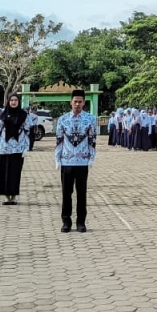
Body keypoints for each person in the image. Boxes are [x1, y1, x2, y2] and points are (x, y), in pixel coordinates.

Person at [55, 89, 98, 232]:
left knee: (81, 192)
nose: (77, 104)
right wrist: (57, 159)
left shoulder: (90, 119)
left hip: (82, 162)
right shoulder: (63, 120)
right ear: (71, 102)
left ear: (84, 103)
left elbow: (92, 140)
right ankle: (66, 221)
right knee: (66, 193)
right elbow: (59, 141)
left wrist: (91, 158)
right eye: (75, 101)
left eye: (80, 102)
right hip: (66, 161)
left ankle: (81, 221)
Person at [0, 95, 30, 206]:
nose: (13, 102)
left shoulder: (24, 115)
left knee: (15, 173)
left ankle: (13, 196)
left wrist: (26, 147)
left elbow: (27, 132)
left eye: (15, 100)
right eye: (11, 100)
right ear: (8, 102)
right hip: (4, 148)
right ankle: (6, 196)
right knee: (4, 172)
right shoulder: (2, 115)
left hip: (18, 148)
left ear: (19, 102)